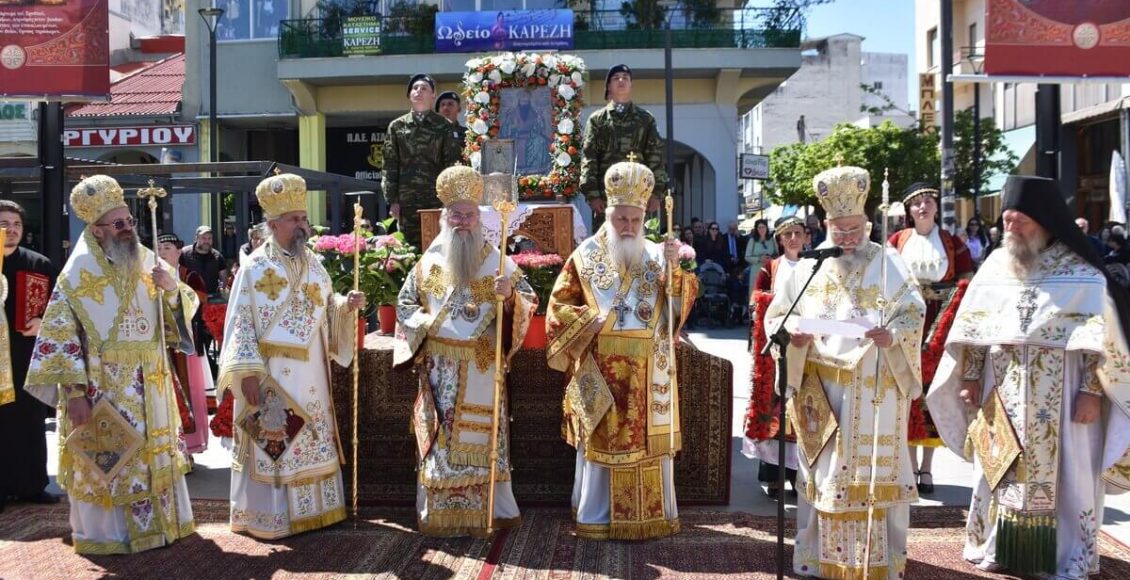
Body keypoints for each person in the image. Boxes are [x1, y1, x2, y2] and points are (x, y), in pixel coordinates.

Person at [927, 175, 1130, 579]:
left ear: (1044, 221)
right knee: (999, 466)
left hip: (1067, 399)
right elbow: (974, 331)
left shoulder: (1081, 272)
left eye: (1020, 222)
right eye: (1006, 222)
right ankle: (1001, 545)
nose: (1011, 229)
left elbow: (1102, 341)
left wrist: (1092, 392)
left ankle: (1065, 554)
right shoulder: (996, 267)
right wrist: (968, 378)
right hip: (1000, 391)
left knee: (1069, 476)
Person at [765, 166, 925, 578]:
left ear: (868, 223)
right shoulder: (807, 268)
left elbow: (914, 312)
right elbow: (777, 317)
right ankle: (820, 557)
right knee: (823, 475)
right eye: (840, 230)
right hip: (824, 390)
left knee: (873, 478)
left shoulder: (889, 263)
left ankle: (881, 563)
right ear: (826, 225)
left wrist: (893, 336)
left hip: (876, 386)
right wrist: (792, 337)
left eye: (855, 229)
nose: (848, 238)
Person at [23, 175, 197, 553]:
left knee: (152, 458)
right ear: (97, 230)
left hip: (151, 382)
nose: (129, 229)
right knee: (114, 461)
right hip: (104, 388)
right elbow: (59, 340)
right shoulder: (76, 275)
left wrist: (171, 289)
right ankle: (111, 535)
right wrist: (73, 394)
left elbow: (178, 309)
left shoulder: (145, 259)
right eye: (119, 224)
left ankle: (164, 526)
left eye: (130, 221)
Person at [547, 159, 698, 540]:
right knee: (600, 441)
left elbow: (679, 308)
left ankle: (651, 515)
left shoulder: (657, 254)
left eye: (636, 219)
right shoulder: (584, 256)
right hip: (600, 366)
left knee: (649, 444)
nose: (630, 227)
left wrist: (676, 274)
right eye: (621, 220)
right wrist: (586, 322)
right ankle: (596, 517)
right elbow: (557, 308)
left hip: (651, 371)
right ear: (607, 213)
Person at [217, 172, 366, 539]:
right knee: (274, 436)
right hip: (270, 372)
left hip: (312, 371)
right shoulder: (254, 267)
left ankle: (319, 510)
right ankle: (271, 516)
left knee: (310, 432)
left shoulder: (313, 263)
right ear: (273, 224)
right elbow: (240, 322)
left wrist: (346, 306)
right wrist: (246, 373)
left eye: (303, 218)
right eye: (295, 220)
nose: (303, 225)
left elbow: (324, 308)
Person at [393, 165, 537, 537]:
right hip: (440, 368)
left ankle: (490, 509)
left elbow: (527, 302)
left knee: (482, 441)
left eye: (469, 214)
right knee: (442, 442)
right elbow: (405, 305)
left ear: (479, 218)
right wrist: (427, 328)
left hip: (482, 365)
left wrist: (510, 300)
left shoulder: (497, 262)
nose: (462, 221)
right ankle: (440, 513)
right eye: (455, 214)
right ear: (445, 217)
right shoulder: (430, 263)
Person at [888, 183, 974, 494]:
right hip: (908, 320)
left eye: (927, 202)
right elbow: (885, 280)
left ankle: (927, 467)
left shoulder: (952, 242)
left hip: (941, 320)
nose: (922, 207)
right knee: (908, 387)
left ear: (936, 207)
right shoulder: (897, 241)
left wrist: (953, 318)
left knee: (935, 391)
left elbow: (967, 280)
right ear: (909, 211)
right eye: (916, 203)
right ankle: (909, 465)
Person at [0, 200, 59, 510]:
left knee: (29, 420)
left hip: (26, 356)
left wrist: (43, 322)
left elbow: (61, 307)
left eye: (17, 225)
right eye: (4, 224)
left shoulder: (39, 264)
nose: (11, 230)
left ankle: (31, 485)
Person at [743, 215, 805, 498]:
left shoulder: (815, 265)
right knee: (775, 410)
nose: (793, 238)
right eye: (787, 234)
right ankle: (774, 477)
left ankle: (798, 476)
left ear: (806, 237)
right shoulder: (771, 267)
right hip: (777, 344)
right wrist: (777, 304)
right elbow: (757, 297)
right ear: (779, 239)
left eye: (797, 233)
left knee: (801, 410)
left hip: (805, 345)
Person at [382, 73, 462, 249]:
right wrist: (392, 200)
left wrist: (450, 201)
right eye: (415, 88)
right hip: (406, 201)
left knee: (438, 247)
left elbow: (451, 166)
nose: (418, 91)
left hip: (436, 201)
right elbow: (390, 164)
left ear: (433, 95)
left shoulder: (444, 126)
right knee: (407, 249)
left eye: (424, 88)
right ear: (409, 95)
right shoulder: (397, 126)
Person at [580, 64, 666, 227]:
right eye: (616, 78)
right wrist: (593, 195)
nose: (621, 80)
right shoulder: (597, 120)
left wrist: (656, 193)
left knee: (638, 246)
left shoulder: (645, 119)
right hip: (607, 199)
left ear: (631, 85)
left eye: (625, 78)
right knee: (606, 246)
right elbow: (589, 158)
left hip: (638, 197)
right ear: (608, 86)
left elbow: (655, 156)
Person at [157, 234, 211, 461]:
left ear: (179, 251)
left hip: (184, 345)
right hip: (159, 345)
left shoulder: (189, 275)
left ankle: (187, 449)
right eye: (158, 248)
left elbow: (199, 303)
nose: (162, 252)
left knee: (188, 392)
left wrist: (173, 289)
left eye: (167, 247)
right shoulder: (147, 276)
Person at [744, 219, 777, 295]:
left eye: (763, 227)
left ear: (766, 228)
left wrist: (771, 259)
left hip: (769, 270)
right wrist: (759, 259)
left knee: (769, 293)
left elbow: (776, 254)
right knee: (756, 293)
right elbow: (747, 257)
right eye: (759, 227)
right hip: (756, 270)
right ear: (756, 229)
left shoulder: (772, 240)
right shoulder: (752, 240)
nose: (761, 229)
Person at [435, 90, 467, 156]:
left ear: (459, 109)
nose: (445, 108)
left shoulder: (467, 134)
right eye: (442, 105)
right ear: (438, 110)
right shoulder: (431, 132)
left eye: (450, 104)